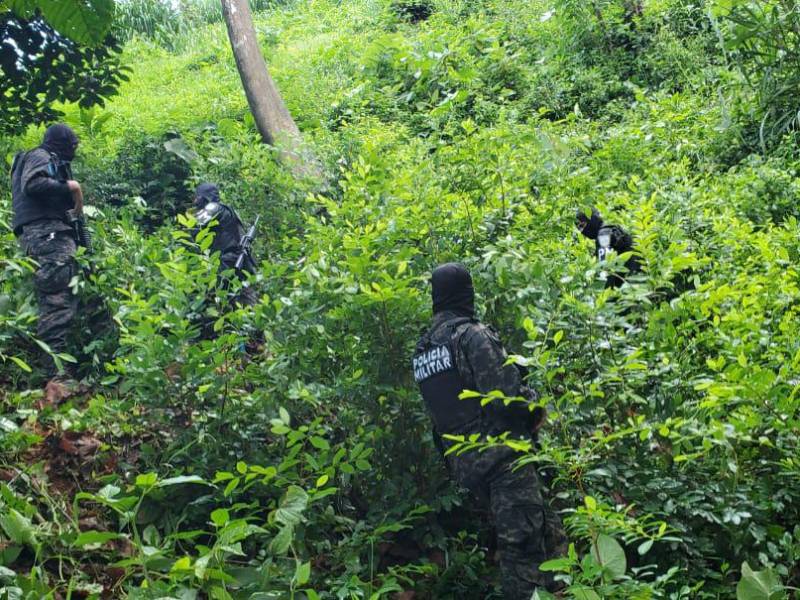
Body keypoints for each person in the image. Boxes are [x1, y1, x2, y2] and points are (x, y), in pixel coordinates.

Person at [412, 263, 566, 599]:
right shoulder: (471, 336)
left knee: (547, 534)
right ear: (465, 293)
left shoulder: (424, 351)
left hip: (467, 467)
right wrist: (535, 407)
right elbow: (505, 397)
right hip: (503, 461)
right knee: (523, 554)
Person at [11, 124, 84, 383]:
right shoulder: (41, 156)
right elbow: (33, 184)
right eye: (72, 144)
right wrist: (71, 187)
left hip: (45, 236)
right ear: (61, 142)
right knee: (56, 302)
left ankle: (59, 369)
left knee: (61, 299)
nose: (74, 149)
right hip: (49, 236)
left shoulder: (45, 159)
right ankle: (57, 375)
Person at [191, 182, 258, 307]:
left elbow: (194, 229)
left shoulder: (213, 208)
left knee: (220, 305)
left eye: (197, 196)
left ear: (204, 197)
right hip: (242, 264)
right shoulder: (229, 210)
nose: (195, 200)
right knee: (247, 307)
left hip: (227, 264)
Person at [575, 207, 642, 288]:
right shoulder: (613, 229)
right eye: (579, 228)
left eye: (582, 225)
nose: (582, 231)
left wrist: (607, 297)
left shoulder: (603, 235)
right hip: (639, 280)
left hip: (631, 286)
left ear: (592, 219)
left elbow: (607, 270)